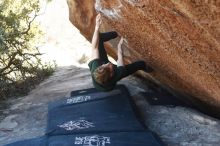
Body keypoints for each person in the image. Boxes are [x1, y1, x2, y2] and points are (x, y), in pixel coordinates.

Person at [88, 14, 153, 91]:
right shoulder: (118, 73)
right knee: (140, 64)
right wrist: (119, 46)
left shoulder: (97, 66)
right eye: (108, 66)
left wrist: (97, 27)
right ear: (112, 73)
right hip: (109, 84)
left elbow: (94, 47)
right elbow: (120, 60)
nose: (107, 63)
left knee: (98, 38)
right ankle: (146, 67)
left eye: (103, 65)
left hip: (104, 73)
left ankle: (115, 33)